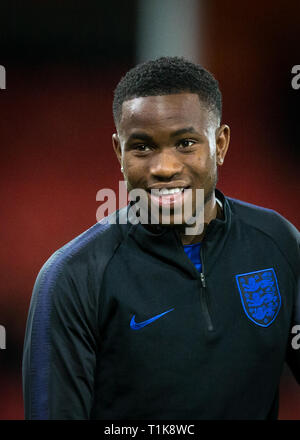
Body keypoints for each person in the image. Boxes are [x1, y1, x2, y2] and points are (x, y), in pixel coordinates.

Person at [22, 56, 300, 420]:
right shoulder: (72, 277)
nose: (164, 168)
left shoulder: (278, 242)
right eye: (142, 147)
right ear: (118, 153)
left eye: (186, 143)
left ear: (221, 144)